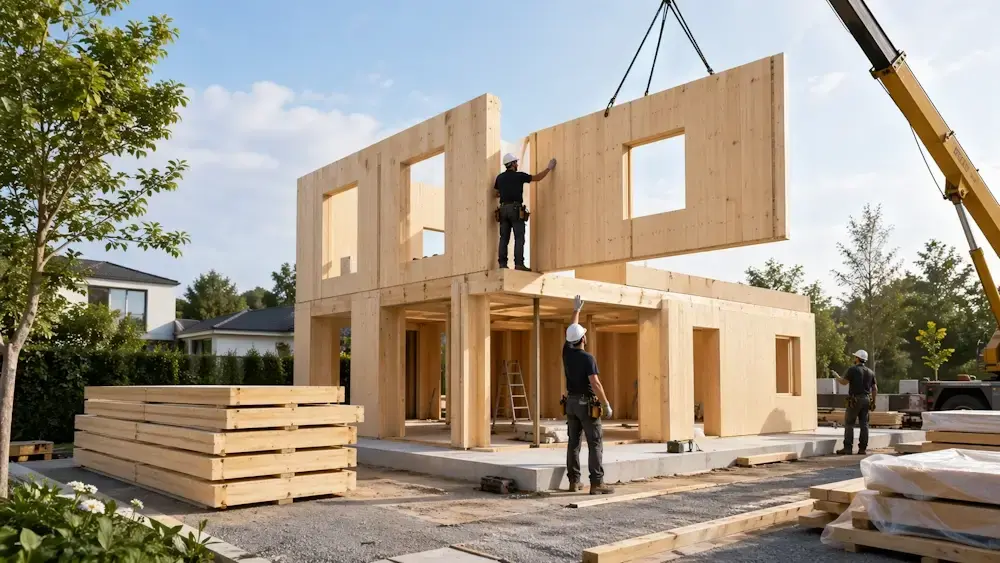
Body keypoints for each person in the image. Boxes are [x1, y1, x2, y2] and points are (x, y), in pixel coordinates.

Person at [563, 294, 614, 494]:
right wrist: (606, 404)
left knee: (573, 443)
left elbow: (571, 332)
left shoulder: (566, 353)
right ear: (583, 339)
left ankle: (574, 482)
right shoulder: (587, 358)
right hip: (586, 404)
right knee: (595, 443)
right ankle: (597, 483)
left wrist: (576, 311)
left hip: (571, 404)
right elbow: (595, 382)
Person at [494, 153, 556, 270]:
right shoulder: (519, 176)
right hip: (515, 209)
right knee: (519, 237)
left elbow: (497, 193)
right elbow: (537, 178)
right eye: (516, 163)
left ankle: (502, 264)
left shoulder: (500, 178)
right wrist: (548, 168)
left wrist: (506, 192)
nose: (517, 164)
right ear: (512, 164)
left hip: (503, 210)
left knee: (504, 238)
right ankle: (519, 264)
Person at [835, 350, 877, 455]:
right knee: (864, 424)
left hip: (855, 400)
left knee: (849, 423)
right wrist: (873, 402)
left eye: (855, 357)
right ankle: (862, 449)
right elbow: (875, 389)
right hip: (866, 400)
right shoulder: (870, 372)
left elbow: (844, 382)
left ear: (857, 358)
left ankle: (848, 448)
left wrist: (837, 376)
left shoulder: (852, 370)